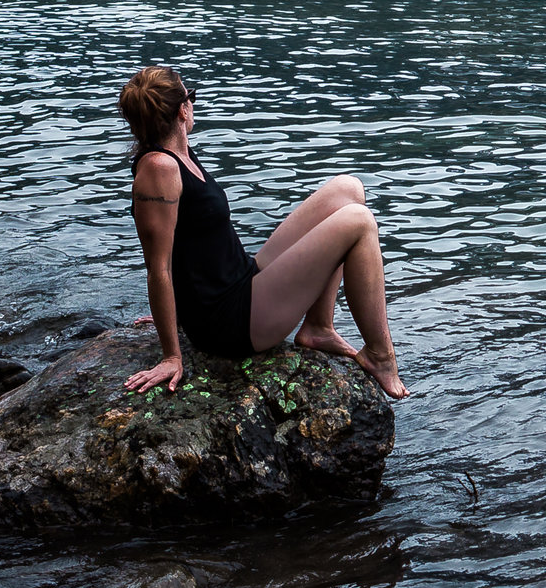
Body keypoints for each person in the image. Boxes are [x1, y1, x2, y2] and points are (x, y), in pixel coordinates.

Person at [115, 65, 408, 400]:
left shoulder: (180, 153)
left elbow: (191, 250)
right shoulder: (159, 169)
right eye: (190, 97)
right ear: (183, 109)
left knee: (348, 191)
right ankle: (381, 355)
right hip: (231, 322)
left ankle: (319, 327)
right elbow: (159, 266)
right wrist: (171, 354)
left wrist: (177, 312)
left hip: (242, 280)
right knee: (359, 222)